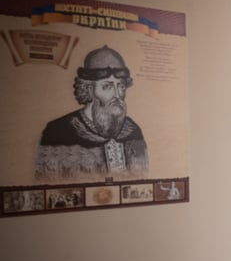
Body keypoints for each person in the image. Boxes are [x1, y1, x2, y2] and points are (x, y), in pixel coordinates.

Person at [35, 45, 148, 180]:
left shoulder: (133, 130)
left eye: (121, 87)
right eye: (107, 86)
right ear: (89, 89)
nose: (117, 95)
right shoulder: (57, 131)